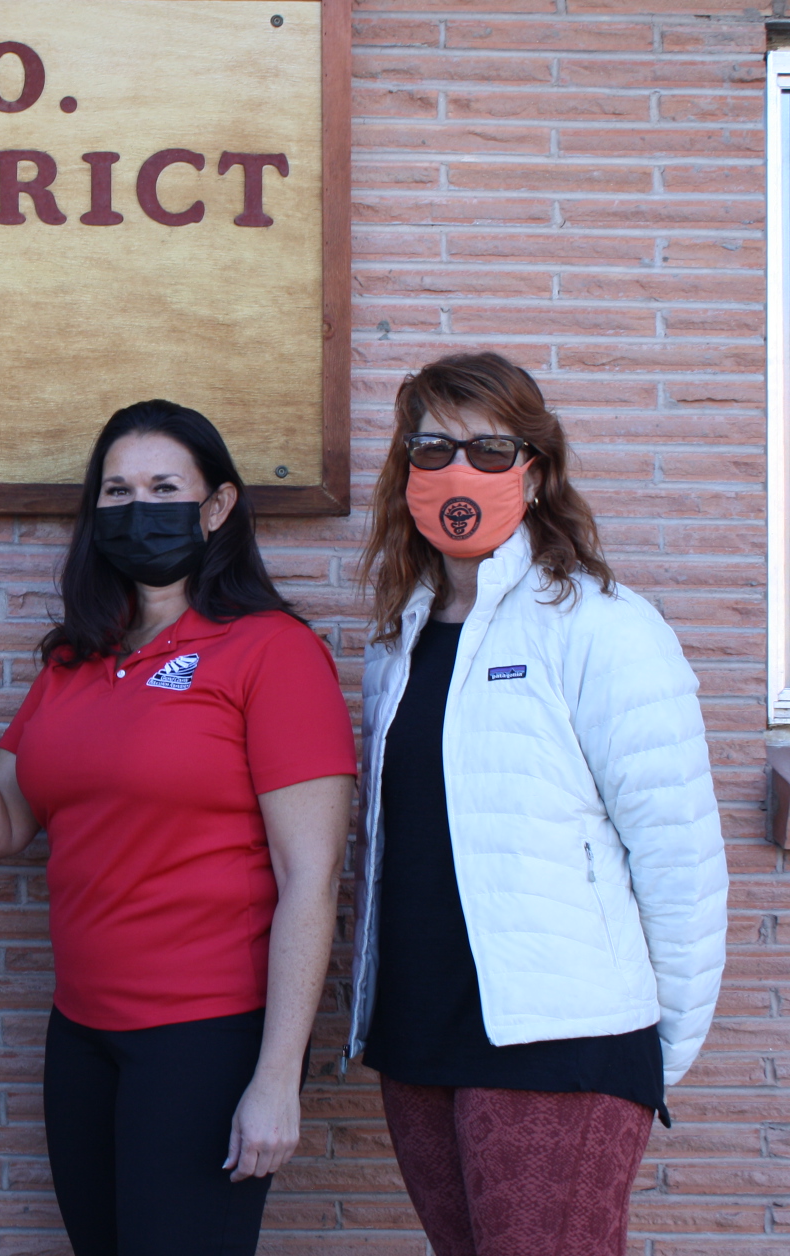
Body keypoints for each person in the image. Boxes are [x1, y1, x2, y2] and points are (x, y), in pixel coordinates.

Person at [0, 400, 356, 1256]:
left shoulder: (272, 652)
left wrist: (277, 1077)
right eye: (117, 491)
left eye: (165, 487)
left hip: (206, 1039)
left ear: (219, 506)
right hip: (82, 1034)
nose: (138, 507)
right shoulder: (77, 660)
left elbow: (313, 877)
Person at [350, 352, 727, 1256]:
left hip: (562, 1045)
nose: (458, 471)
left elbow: (679, 858)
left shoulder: (602, 626)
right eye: (433, 446)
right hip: (419, 1035)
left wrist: (648, 1055)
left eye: (489, 449)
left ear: (537, 468)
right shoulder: (393, 643)